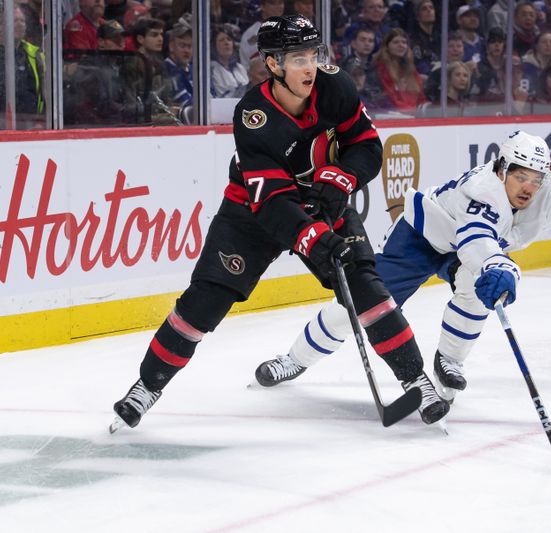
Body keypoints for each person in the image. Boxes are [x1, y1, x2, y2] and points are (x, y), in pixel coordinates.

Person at [110, 14, 450, 432]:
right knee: (206, 300)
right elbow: (271, 200)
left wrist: (340, 178)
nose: (310, 66)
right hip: (252, 214)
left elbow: (365, 145)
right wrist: (314, 240)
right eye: (297, 58)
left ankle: (416, 379)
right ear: (272, 64)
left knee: (366, 286)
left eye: (313, 54)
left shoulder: (335, 86)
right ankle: (146, 386)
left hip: (323, 201)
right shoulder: (254, 115)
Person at [254, 131, 551, 403]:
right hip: (420, 239)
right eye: (521, 176)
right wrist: (501, 265)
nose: (529, 187)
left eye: (536, 178)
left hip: (470, 250)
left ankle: (450, 360)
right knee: (359, 308)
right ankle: (294, 359)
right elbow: (477, 239)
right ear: (502, 169)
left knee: (480, 287)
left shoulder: (545, 192)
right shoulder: (483, 190)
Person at [0, 5, 45, 116]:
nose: (20, 24)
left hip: (31, 126)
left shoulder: (36, 55)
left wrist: (41, 120)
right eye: (14, 20)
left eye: (22, 21)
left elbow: (46, 93)